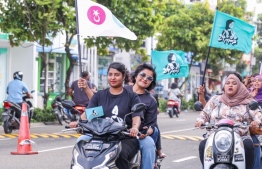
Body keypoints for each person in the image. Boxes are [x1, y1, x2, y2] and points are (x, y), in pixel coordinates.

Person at [69, 62, 143, 169]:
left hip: (124, 137)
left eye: (117, 75)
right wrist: (78, 122)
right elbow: (90, 113)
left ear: (124, 76)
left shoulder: (131, 96)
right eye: (110, 74)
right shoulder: (100, 96)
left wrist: (135, 128)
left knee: (121, 155)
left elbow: (136, 116)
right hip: (99, 136)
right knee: (80, 151)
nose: (113, 77)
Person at [195, 73, 262, 169]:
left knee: (248, 145)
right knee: (203, 145)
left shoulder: (247, 101)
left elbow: (258, 115)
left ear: (239, 86)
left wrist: (257, 122)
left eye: (234, 83)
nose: (230, 85)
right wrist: (200, 121)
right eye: (228, 83)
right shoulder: (215, 99)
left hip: (240, 136)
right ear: (224, 86)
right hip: (216, 136)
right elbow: (205, 113)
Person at [125, 63, 159, 169]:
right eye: (142, 75)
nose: (145, 79)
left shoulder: (151, 101)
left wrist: (145, 132)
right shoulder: (122, 90)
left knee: (148, 143)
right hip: (114, 132)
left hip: (136, 135)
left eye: (149, 78)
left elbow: (152, 126)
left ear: (151, 82)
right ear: (135, 76)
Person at [150, 88, 166, 159]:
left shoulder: (152, 96)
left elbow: (157, 110)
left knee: (155, 129)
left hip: (147, 123)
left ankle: (158, 150)